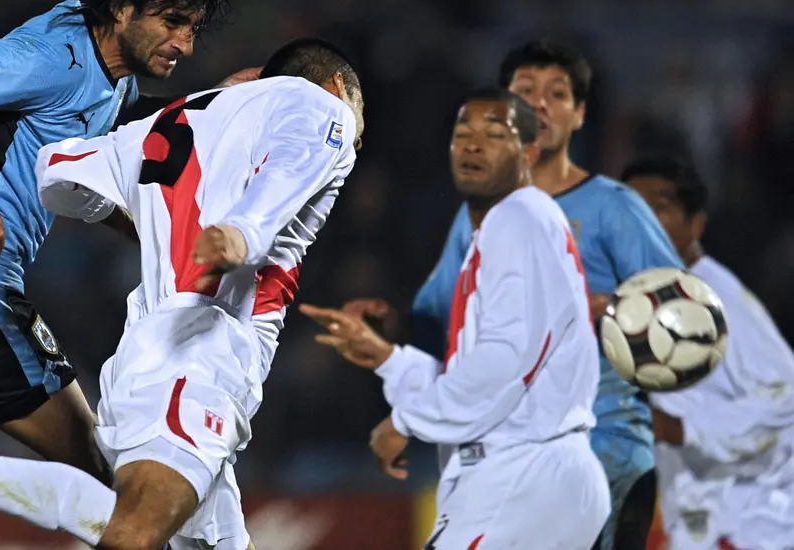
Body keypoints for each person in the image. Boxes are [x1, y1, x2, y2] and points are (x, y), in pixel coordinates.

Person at [0, 38, 365, 550]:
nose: (356, 131)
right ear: (336, 88)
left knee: (165, 528)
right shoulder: (320, 106)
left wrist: (152, 223)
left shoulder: (168, 121)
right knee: (133, 530)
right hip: (200, 349)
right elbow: (284, 176)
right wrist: (242, 231)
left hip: (152, 349)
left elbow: (58, 171)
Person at [341, 40, 682, 550]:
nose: (541, 103)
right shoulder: (490, 222)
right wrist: (390, 347)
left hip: (573, 452)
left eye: (556, 92)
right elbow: (460, 344)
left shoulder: (578, 211)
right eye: (526, 90)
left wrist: (611, 310)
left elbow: (682, 321)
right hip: (527, 459)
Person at [302, 88, 609, 548]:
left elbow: (504, 362)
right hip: (534, 476)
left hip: (521, 477)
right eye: (462, 133)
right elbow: (488, 377)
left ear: (529, 152)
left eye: (493, 134)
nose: (471, 144)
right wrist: (389, 359)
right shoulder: (504, 233)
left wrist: (406, 422)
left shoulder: (517, 219)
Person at [623, 154, 794, 550]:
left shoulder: (718, 299)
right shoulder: (645, 302)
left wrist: (683, 428)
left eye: (659, 208)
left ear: (695, 223)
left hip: (754, 530)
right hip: (699, 526)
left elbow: (785, 397)